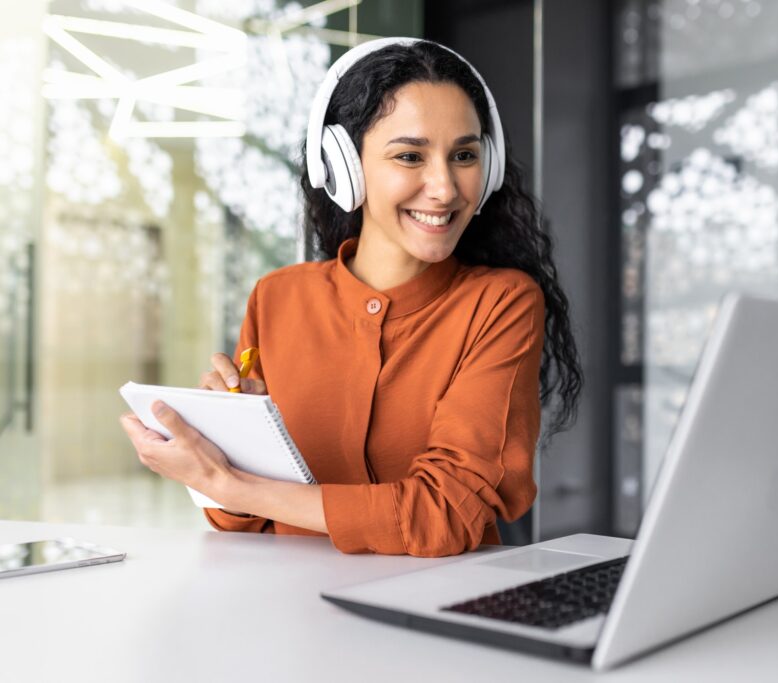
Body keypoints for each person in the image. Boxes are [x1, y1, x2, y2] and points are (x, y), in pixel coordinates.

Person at [119, 38, 582, 557]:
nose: (446, 188)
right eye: (410, 155)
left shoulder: (501, 303)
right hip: (285, 610)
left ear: (489, 167)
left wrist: (231, 483)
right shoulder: (276, 298)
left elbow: (446, 514)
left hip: (428, 613)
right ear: (344, 166)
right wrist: (227, 447)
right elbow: (242, 526)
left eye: (465, 156)